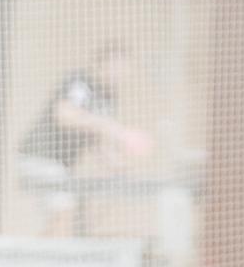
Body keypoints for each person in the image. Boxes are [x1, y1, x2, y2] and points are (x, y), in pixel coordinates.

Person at [16, 42, 154, 234]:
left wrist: (116, 166)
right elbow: (64, 116)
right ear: (102, 63)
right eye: (117, 67)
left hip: (61, 165)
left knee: (71, 214)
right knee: (63, 211)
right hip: (39, 156)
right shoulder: (80, 82)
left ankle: (44, 249)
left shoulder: (108, 97)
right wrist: (113, 129)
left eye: (125, 69)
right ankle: (49, 252)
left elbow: (95, 139)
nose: (120, 74)